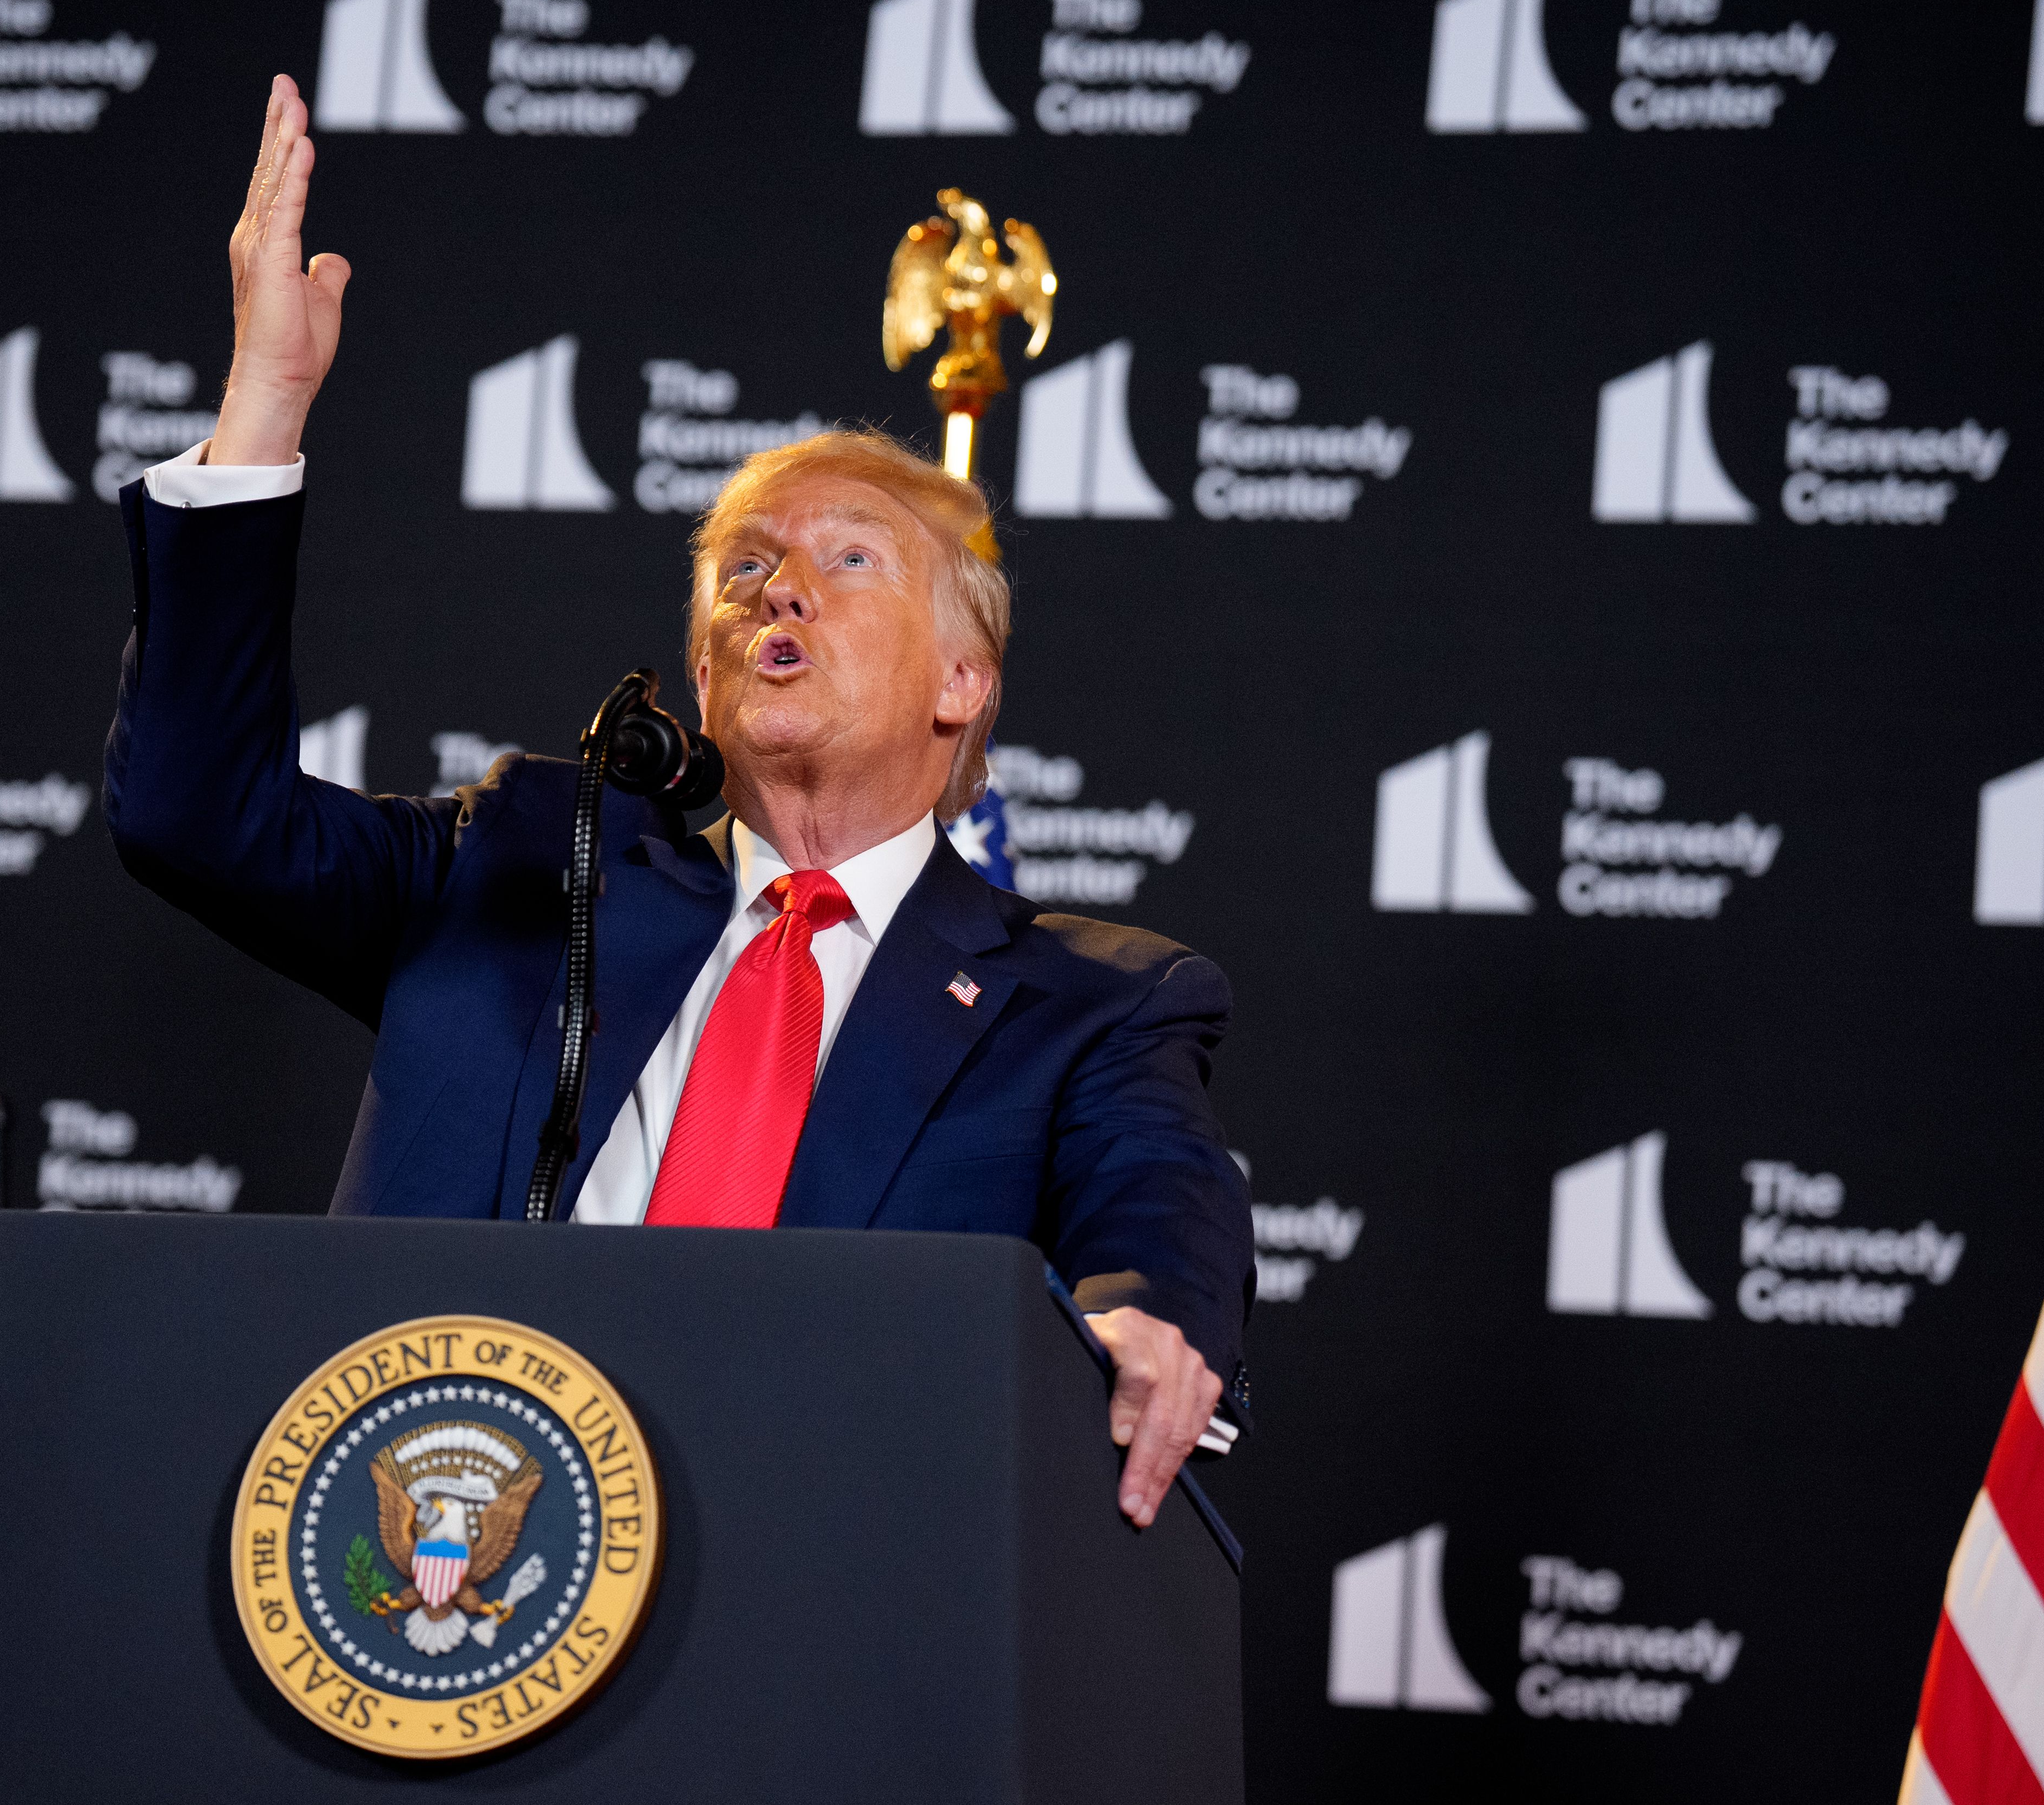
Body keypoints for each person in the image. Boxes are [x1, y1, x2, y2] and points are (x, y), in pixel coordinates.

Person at [105, 75, 1250, 1527]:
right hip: (452, 1546)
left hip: (812, 1564)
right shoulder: (528, 865)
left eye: (849, 561)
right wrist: (266, 402)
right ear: (703, 671)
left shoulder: (1099, 1004)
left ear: (965, 682)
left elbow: (1158, 1205)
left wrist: (1146, 1317)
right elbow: (195, 813)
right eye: (745, 566)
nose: (780, 587)